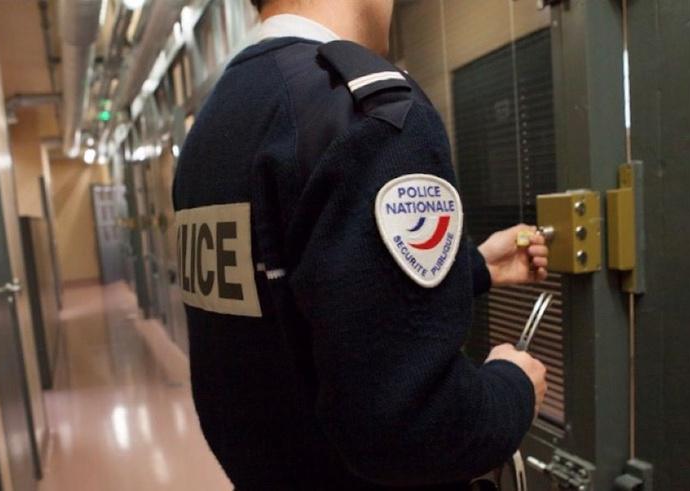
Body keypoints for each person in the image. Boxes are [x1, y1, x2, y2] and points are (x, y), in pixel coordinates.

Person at [171, 0, 549, 488]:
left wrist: (475, 266)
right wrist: (512, 388)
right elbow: (411, 426)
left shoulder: (216, 124)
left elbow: (306, 294)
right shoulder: (370, 115)